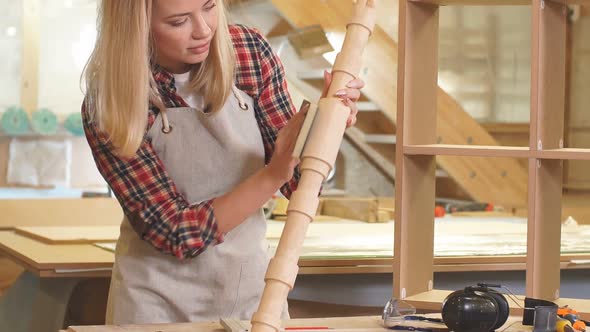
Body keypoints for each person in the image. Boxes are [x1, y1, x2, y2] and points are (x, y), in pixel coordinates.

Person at [82, 0, 364, 325]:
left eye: (208, 6)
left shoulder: (248, 53)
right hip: (154, 303)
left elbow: (298, 182)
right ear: (138, 27)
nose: (203, 29)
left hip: (248, 295)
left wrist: (325, 122)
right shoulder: (110, 100)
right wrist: (272, 175)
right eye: (178, 22)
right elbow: (178, 232)